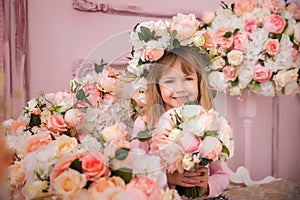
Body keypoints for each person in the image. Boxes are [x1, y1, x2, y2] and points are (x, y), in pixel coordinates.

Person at [130, 47, 230, 199]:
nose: (180, 88)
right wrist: (168, 179)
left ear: (199, 82)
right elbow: (134, 171)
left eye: (188, 79)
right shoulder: (146, 124)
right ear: (157, 86)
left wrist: (207, 184)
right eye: (170, 81)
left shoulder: (207, 123)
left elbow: (222, 175)